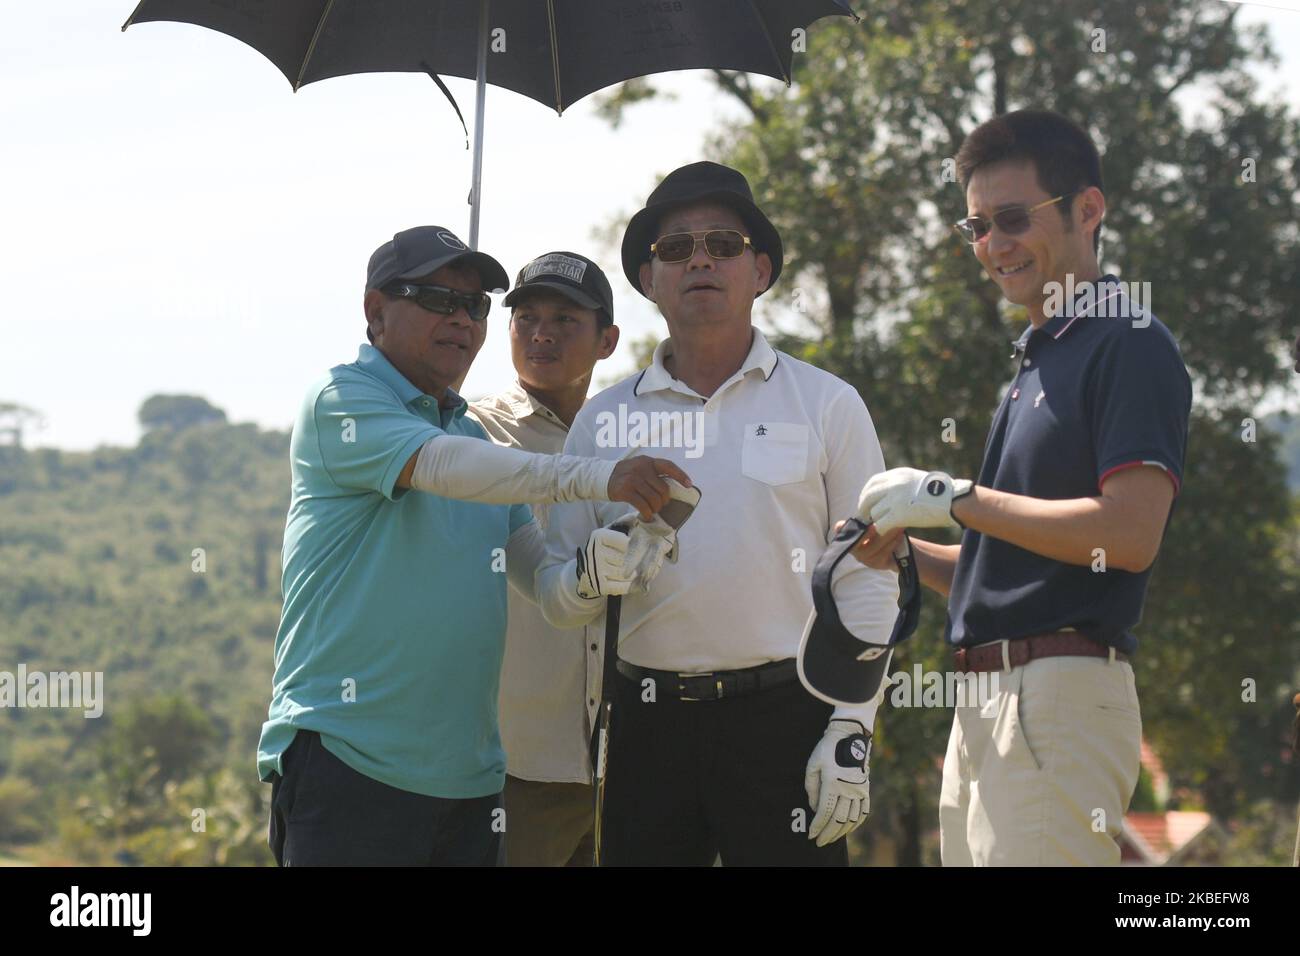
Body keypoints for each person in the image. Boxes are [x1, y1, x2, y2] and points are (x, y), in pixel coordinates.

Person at [257, 225, 687, 866]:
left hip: (471, 787)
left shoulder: (476, 442)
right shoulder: (343, 400)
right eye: (435, 299)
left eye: (475, 305)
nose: (460, 319)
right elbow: (443, 468)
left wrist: (592, 575)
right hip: (349, 762)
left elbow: (550, 591)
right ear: (377, 309)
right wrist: (602, 475)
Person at [849, 110, 1192, 866]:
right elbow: (1001, 571)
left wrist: (953, 497)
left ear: (1088, 210)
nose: (993, 245)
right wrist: (906, 552)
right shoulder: (1039, 357)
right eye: (975, 227)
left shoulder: (1129, 343)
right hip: (989, 703)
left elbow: (1130, 537)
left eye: (1011, 218)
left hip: (1057, 698)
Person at [538, 163, 902, 866]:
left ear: (760, 268)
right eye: (675, 248)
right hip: (646, 727)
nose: (699, 258)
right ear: (649, 280)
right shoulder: (600, 422)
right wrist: (588, 575)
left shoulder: (829, 404)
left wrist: (852, 727)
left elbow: (868, 580)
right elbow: (560, 598)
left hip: (790, 718)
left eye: (723, 244)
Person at [469, 251, 620, 866]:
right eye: (525, 317)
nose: (541, 333)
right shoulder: (472, 432)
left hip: (623, 767)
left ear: (607, 339)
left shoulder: (631, 433)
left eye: (564, 318)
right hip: (515, 765)